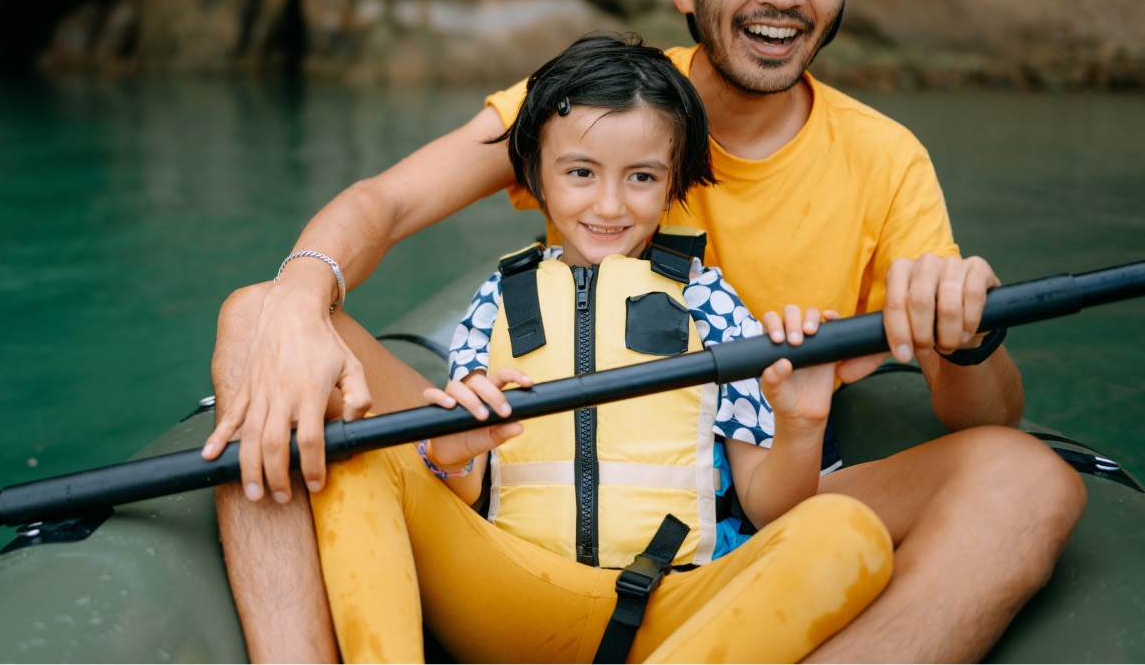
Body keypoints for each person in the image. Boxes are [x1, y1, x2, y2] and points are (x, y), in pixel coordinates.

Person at [203, 0, 1086, 663]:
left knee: (1027, 482)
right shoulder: (602, 107)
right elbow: (384, 203)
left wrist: (965, 337)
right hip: (519, 497)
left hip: (757, 506)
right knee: (256, 320)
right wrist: (297, 296)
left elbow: (980, 420)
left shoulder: (886, 159)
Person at [309, 35, 894, 663]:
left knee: (844, 529)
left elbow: (768, 507)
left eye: (641, 177)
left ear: (673, 185)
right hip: (513, 589)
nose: (610, 206)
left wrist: (800, 426)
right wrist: (453, 456)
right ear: (535, 174)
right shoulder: (498, 302)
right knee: (357, 452)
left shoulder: (714, 306)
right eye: (581, 172)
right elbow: (469, 494)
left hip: (673, 606)